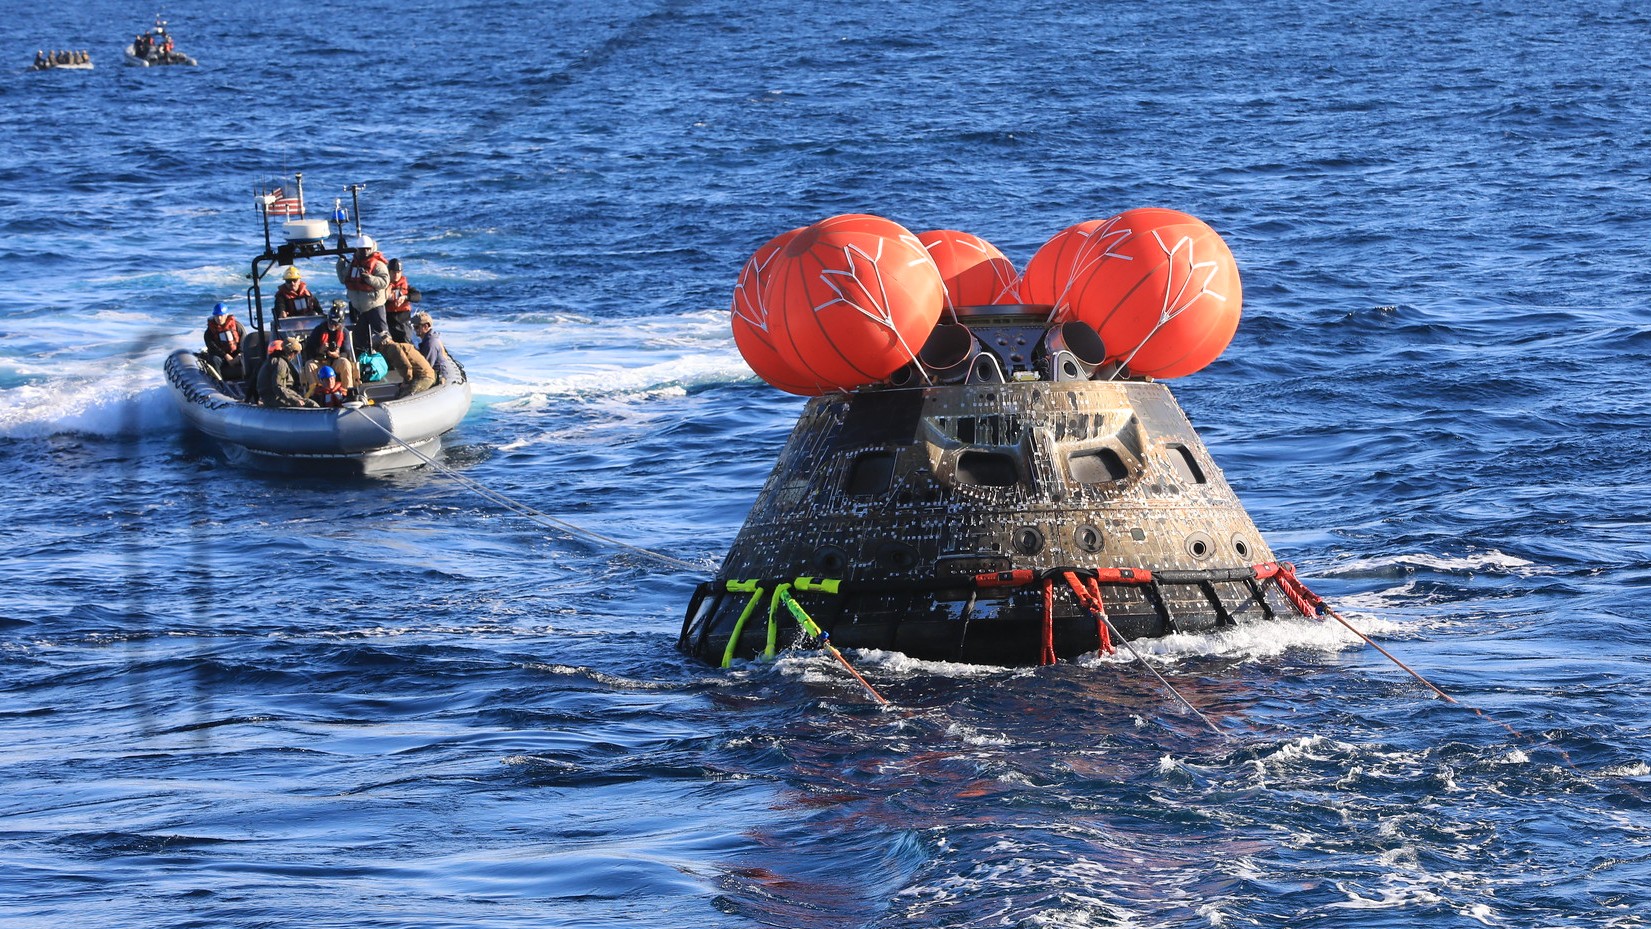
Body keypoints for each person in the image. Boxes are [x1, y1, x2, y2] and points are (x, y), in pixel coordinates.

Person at [337, 234, 390, 350]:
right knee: (359, 337)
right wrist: (340, 260)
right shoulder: (353, 264)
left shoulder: (378, 264)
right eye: (362, 249)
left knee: (383, 335)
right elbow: (343, 278)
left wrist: (369, 278)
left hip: (374, 305)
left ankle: (389, 359)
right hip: (359, 308)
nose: (364, 252)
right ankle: (363, 358)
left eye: (367, 249)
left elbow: (384, 281)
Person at [301, 305, 359, 390]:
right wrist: (320, 350)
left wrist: (337, 355)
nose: (332, 326)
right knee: (309, 365)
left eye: (335, 324)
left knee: (345, 363)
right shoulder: (318, 330)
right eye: (331, 322)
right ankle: (316, 392)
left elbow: (346, 351)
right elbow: (309, 349)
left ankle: (347, 391)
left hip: (335, 361)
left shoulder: (344, 333)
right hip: (320, 361)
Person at [257, 339, 316, 408]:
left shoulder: (273, 360)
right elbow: (278, 387)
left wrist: (297, 397)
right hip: (273, 397)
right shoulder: (281, 363)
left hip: (273, 395)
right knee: (311, 405)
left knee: (306, 401)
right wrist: (295, 400)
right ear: (292, 353)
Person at [374, 332, 435, 399]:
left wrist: (406, 382)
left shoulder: (392, 349)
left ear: (382, 345)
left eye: (377, 348)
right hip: (426, 375)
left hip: (424, 377)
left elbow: (405, 367)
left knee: (404, 397)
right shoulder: (400, 346)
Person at [412, 311, 459, 384]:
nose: (415, 330)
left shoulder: (431, 343)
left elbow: (426, 366)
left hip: (437, 375)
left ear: (426, 326)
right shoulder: (429, 339)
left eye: (416, 327)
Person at [202, 302, 246, 378]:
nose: (219, 318)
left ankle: (247, 379)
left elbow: (244, 342)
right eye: (216, 316)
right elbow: (212, 347)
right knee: (214, 359)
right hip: (221, 356)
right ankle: (219, 382)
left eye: (221, 316)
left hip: (237, 355)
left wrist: (239, 355)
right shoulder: (209, 332)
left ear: (226, 315)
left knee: (246, 357)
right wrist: (225, 355)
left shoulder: (238, 327)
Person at [385, 258, 414, 342]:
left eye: (398, 272)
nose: (396, 275)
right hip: (390, 321)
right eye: (394, 272)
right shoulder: (384, 286)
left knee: (406, 339)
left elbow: (417, 296)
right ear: (389, 272)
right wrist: (387, 297)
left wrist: (405, 297)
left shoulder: (406, 286)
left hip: (403, 320)